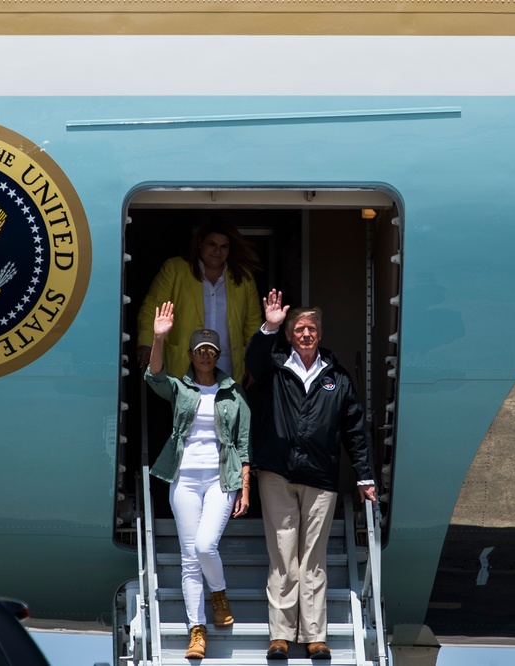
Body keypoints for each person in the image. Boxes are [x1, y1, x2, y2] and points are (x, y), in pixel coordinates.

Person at [244, 289, 376, 661]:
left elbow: (354, 430)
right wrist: (268, 327)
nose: (305, 334)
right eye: (298, 328)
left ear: (320, 333)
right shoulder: (274, 365)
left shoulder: (337, 377)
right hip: (277, 473)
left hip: (320, 476)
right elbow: (252, 362)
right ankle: (281, 635)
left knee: (313, 559)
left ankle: (316, 635)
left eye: (311, 328)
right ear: (289, 334)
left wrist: (365, 478)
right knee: (283, 555)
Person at [145, 301, 252, 660]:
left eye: (211, 351)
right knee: (189, 557)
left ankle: (218, 592)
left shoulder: (234, 393)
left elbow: (244, 444)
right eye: (200, 351)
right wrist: (159, 339)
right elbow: (154, 378)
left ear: (218, 355)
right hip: (185, 478)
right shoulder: (180, 389)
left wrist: (245, 488)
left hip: (222, 478)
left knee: (206, 546)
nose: (206, 356)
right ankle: (197, 630)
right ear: (191, 355)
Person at [137, 221, 261, 383]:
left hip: (227, 363)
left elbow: (252, 323)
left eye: (224, 246)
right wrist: (147, 342)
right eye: (212, 244)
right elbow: (153, 308)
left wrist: (254, 363)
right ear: (200, 244)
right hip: (184, 362)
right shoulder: (175, 269)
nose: (217, 251)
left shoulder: (243, 276)